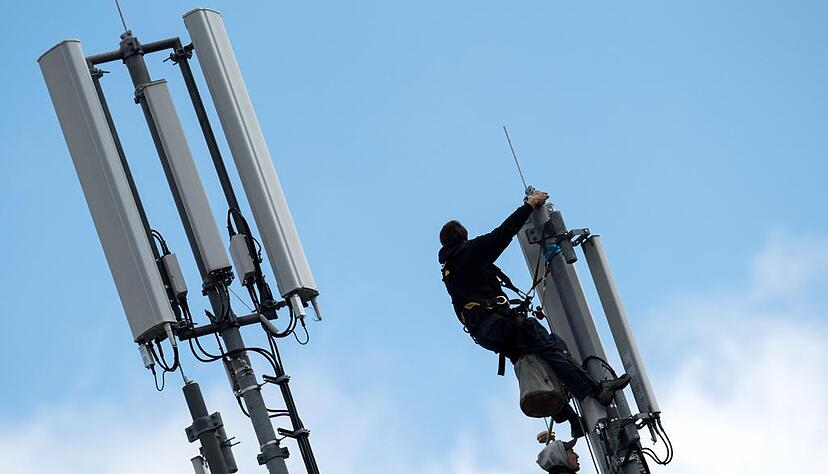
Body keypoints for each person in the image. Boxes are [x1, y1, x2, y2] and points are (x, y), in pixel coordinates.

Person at [438, 191, 630, 437]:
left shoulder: (449, 269)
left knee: (530, 357)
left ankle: (569, 418)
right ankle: (593, 389)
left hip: (486, 330)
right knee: (547, 345)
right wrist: (529, 206)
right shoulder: (469, 253)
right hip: (495, 323)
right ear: (463, 237)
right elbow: (504, 232)